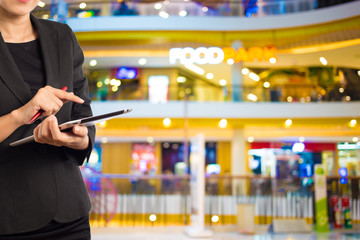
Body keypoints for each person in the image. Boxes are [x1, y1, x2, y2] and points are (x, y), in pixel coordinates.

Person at [0, 0, 95, 239]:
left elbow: (82, 112)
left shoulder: (61, 36)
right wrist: (19, 116)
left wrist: (78, 139)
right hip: (7, 218)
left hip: (69, 214)